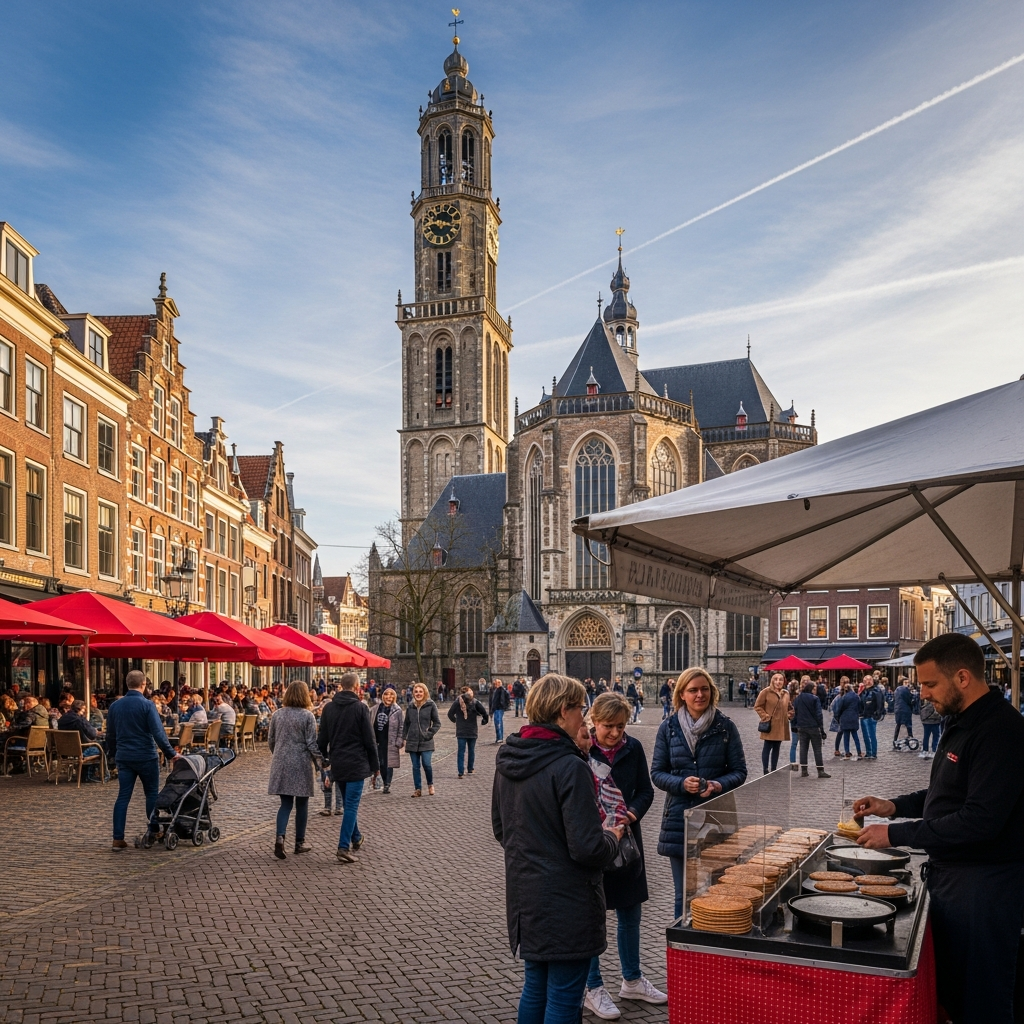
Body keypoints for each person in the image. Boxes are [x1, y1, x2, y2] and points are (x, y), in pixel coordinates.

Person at [853, 632, 1024, 1024]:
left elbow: (978, 820)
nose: (923, 694)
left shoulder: (1000, 731)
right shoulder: (963, 720)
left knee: (981, 1000)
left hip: (984, 890)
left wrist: (894, 835)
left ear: (962, 677)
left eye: (930, 684)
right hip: (954, 883)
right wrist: (893, 806)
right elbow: (947, 793)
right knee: (952, 992)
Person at [492, 674, 623, 1024]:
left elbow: (501, 828)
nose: (586, 718)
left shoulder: (508, 758)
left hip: (525, 899)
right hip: (568, 903)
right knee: (564, 999)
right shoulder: (570, 766)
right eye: (582, 709)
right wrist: (612, 836)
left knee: (535, 987)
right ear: (564, 711)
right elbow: (587, 848)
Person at [581, 692, 666, 1019]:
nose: (615, 733)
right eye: (608, 726)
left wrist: (631, 813)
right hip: (593, 842)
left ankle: (632, 979)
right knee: (593, 918)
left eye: (620, 726)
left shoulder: (633, 749)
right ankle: (592, 986)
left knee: (630, 913)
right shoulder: (581, 751)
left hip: (628, 843)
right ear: (593, 722)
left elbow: (645, 790)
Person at [651, 667, 747, 917]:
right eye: (692, 690)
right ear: (682, 694)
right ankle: (682, 949)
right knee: (684, 893)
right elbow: (657, 774)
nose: (699, 695)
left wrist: (718, 785)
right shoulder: (668, 728)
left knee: (718, 888)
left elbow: (739, 771)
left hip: (717, 816)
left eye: (704, 689)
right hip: (679, 821)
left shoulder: (726, 727)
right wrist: (681, 784)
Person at [106, 670, 180, 851]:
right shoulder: (147, 705)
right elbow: (158, 733)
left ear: (127, 684)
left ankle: (118, 838)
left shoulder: (115, 706)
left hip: (124, 757)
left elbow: (110, 735)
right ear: (144, 684)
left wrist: (115, 755)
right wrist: (171, 754)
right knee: (151, 794)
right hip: (146, 756)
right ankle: (154, 829)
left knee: (123, 796)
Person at [318, 672, 379, 864]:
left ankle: (356, 837)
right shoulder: (361, 708)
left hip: (338, 763)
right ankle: (343, 847)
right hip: (356, 763)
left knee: (348, 804)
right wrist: (375, 766)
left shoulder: (329, 709)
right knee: (351, 806)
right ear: (356, 687)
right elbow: (369, 740)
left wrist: (326, 760)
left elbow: (322, 740)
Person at [267, 680, 322, 860]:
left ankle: (280, 837)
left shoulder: (277, 714)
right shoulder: (307, 716)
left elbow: (271, 740)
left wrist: (279, 754)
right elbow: (311, 743)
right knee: (302, 804)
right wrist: (321, 761)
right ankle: (299, 842)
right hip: (301, 762)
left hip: (281, 762)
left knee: (285, 803)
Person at [403, 682, 441, 797]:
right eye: (416, 691)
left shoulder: (431, 705)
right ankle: (417, 789)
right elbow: (406, 724)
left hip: (426, 740)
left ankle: (430, 784)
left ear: (424, 692)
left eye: (420, 691)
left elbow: (437, 723)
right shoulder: (410, 706)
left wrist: (429, 733)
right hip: (413, 740)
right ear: (413, 693)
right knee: (415, 766)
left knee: (427, 764)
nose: (418, 694)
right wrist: (403, 738)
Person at [57, 699, 105, 782]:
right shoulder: (79, 719)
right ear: (80, 709)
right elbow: (92, 734)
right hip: (81, 749)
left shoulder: (62, 719)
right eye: (84, 710)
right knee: (103, 746)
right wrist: (96, 731)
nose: (84, 712)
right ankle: (93, 774)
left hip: (64, 750)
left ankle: (85, 773)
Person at [792, 679, 831, 779]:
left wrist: (794, 725)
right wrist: (821, 730)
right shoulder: (815, 699)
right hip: (813, 727)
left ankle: (804, 770)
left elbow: (794, 713)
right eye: (815, 688)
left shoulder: (798, 698)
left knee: (803, 749)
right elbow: (819, 715)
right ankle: (820, 770)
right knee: (817, 749)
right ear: (812, 689)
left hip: (801, 727)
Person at [447, 686, 489, 778]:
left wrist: (456, 721)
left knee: (461, 751)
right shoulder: (475, 702)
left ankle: (460, 771)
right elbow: (484, 713)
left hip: (461, 730)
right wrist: (484, 720)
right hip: (472, 730)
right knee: (471, 750)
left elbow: (450, 714)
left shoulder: (457, 702)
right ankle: (470, 768)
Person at [753, 671, 790, 774]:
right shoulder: (766, 692)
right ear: (772, 681)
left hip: (781, 725)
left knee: (777, 747)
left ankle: (774, 768)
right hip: (770, 724)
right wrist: (765, 716)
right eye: (776, 679)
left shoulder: (786, 693)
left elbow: (790, 707)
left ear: (784, 681)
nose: (778, 682)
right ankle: (765, 769)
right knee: (767, 746)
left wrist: (790, 714)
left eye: (780, 679)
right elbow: (758, 706)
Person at [371, 685, 403, 793]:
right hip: (377, 739)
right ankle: (379, 779)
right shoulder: (375, 708)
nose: (388, 697)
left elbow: (401, 726)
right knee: (379, 762)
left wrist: (399, 740)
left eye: (391, 695)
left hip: (390, 740)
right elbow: (370, 722)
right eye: (386, 694)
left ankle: (387, 783)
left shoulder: (397, 710)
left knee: (388, 763)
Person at [832, 681, 863, 759]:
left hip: (845, 718)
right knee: (855, 736)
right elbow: (860, 707)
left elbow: (839, 708)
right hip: (853, 718)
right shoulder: (856, 696)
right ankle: (859, 751)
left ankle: (847, 752)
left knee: (846, 737)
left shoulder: (843, 697)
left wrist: (838, 717)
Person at [858, 674, 883, 759]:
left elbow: (880, 703)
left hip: (871, 715)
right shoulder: (863, 691)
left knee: (871, 735)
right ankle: (869, 752)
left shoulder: (876, 691)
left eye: (869, 680)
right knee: (865, 735)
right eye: (866, 680)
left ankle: (873, 753)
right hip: (864, 716)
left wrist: (877, 714)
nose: (868, 682)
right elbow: (860, 702)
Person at [893, 677, 916, 745]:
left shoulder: (897, 690)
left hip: (897, 709)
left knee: (898, 725)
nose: (907, 684)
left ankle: (895, 739)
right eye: (905, 683)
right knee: (908, 724)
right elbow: (909, 700)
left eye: (908, 683)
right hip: (905, 710)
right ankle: (911, 738)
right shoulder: (905, 689)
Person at [918, 695, 942, 759]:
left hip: (926, 721)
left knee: (926, 736)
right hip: (935, 721)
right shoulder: (936, 701)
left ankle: (925, 750)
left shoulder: (924, 700)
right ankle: (934, 750)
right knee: (936, 736)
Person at [489, 678, 509, 743]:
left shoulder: (501, 690)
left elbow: (507, 697)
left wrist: (504, 705)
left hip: (499, 708)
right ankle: (499, 737)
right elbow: (492, 701)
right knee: (497, 723)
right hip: (496, 708)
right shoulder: (494, 690)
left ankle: (500, 737)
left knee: (498, 722)